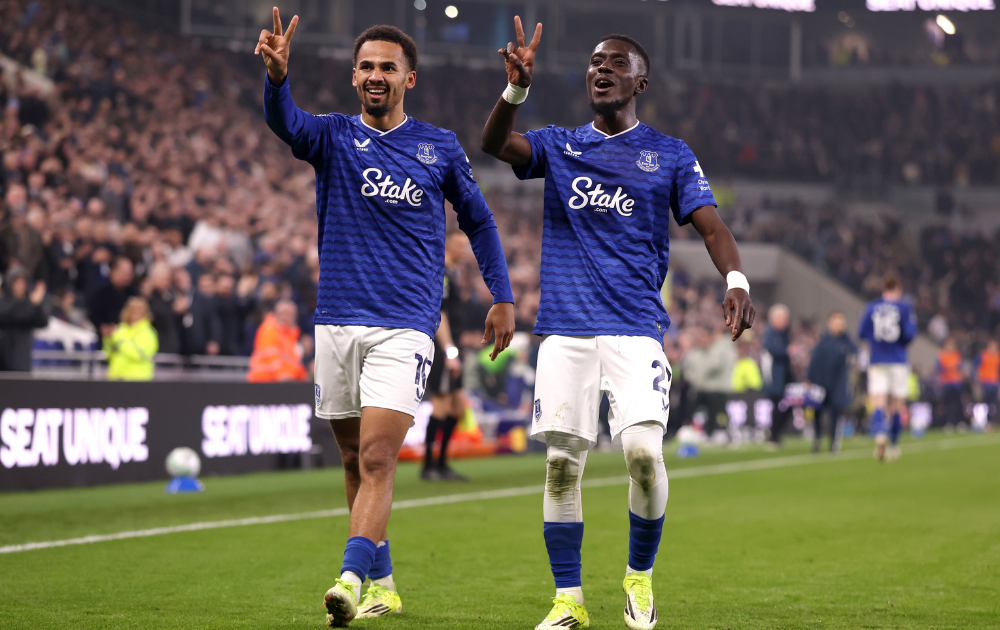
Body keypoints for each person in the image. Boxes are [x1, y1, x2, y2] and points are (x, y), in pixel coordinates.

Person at [481, 20, 754, 630]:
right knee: (561, 465)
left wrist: (735, 281)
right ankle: (568, 599)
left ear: (640, 81)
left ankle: (638, 575)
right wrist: (515, 92)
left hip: (634, 329)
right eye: (594, 61)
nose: (601, 68)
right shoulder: (560, 143)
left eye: (616, 62)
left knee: (641, 454)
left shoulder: (671, 154)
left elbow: (712, 227)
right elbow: (495, 144)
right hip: (564, 329)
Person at [256, 10, 515, 626]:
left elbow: (477, 220)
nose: (377, 75)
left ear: (410, 79)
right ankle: (385, 583)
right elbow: (284, 122)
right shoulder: (333, 135)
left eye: (388, 68)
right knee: (352, 460)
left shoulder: (439, 147)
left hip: (405, 324)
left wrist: (501, 295)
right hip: (337, 321)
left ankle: (348, 577)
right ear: (354, 77)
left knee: (376, 457)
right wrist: (276, 79)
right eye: (367, 67)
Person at [422, 231, 472, 482]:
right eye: (461, 245)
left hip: (453, 347)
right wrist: (450, 350)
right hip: (444, 348)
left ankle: (441, 463)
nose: (466, 250)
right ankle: (429, 466)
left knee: (457, 408)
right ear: (449, 245)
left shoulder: (454, 272)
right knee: (441, 404)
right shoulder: (441, 272)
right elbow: (438, 313)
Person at [858, 276, 917, 461]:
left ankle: (880, 434)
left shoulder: (871, 307)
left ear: (883, 289)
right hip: (898, 359)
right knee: (898, 405)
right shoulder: (904, 308)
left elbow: (861, 332)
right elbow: (909, 334)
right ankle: (893, 445)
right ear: (898, 289)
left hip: (877, 360)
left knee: (879, 402)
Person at [807, 311, 857, 453]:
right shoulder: (823, 340)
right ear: (830, 323)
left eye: (841, 322)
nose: (839, 325)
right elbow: (814, 361)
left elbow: (856, 353)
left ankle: (833, 443)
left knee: (836, 413)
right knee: (817, 412)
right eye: (837, 322)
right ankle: (817, 440)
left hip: (838, 384)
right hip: (821, 382)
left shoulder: (846, 340)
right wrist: (810, 379)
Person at [682, 325, 736, 440]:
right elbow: (689, 369)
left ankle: (723, 434)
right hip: (705, 387)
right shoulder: (700, 351)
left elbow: (714, 365)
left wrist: (699, 376)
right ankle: (697, 432)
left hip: (716, 387)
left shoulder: (720, 347)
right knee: (703, 410)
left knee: (717, 412)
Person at [0, 266, 48, 371]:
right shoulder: (4, 301)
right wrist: (18, 301)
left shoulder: (30, 303)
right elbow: (5, 316)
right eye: (17, 282)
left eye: (23, 282)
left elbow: (42, 322)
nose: (21, 286)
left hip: (23, 354)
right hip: (4, 353)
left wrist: (37, 305)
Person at [247, 299, 307, 382]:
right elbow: (272, 356)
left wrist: (303, 376)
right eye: (284, 313)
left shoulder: (290, 334)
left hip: (282, 383)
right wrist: (283, 377)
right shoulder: (270, 329)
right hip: (264, 382)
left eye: (290, 314)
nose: (286, 316)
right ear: (277, 313)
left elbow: (294, 362)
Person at [104, 297, 158, 381]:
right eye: (134, 310)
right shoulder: (121, 329)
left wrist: (118, 338)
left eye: (140, 311)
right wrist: (107, 338)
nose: (137, 313)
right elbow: (109, 354)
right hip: (116, 378)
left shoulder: (148, 333)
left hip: (138, 380)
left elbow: (138, 354)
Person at [762, 304, 792, 448]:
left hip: (784, 375)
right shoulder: (770, 333)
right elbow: (773, 350)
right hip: (775, 377)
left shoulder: (783, 333)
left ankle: (776, 434)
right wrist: (789, 351)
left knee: (788, 403)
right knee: (778, 405)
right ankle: (773, 435)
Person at [87, 256, 135, 338]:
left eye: (130, 274)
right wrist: (102, 327)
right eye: (124, 273)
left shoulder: (133, 293)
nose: (128, 277)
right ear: (113, 271)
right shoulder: (99, 293)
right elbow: (93, 315)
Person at [935, 337, 965, 430]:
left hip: (956, 383)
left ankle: (960, 422)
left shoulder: (957, 354)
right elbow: (939, 367)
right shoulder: (942, 354)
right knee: (947, 405)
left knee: (958, 404)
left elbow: (959, 367)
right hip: (946, 383)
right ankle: (949, 423)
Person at [975, 339, 999, 420]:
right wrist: (977, 378)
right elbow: (975, 366)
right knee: (984, 403)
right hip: (985, 383)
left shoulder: (997, 356)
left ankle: (992, 421)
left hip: (994, 383)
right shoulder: (983, 355)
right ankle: (983, 420)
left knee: (993, 404)